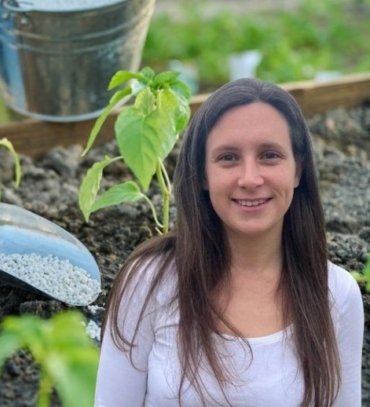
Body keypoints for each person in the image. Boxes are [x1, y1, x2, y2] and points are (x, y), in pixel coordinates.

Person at [94, 78, 363, 406]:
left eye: (269, 155)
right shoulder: (149, 283)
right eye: (228, 158)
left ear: (298, 170)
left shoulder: (335, 294)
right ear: (203, 175)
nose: (250, 179)